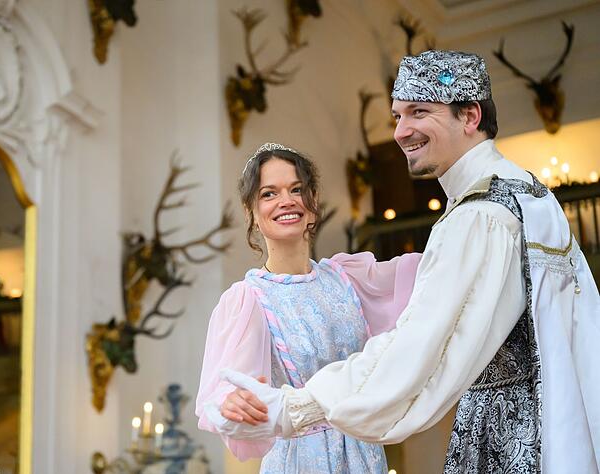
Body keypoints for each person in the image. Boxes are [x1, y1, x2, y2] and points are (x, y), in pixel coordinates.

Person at [205, 50, 600, 473]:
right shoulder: (528, 193)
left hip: (509, 434)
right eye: (397, 116)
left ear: (470, 116)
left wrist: (295, 407)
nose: (400, 131)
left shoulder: (478, 216)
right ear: (251, 212)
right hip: (550, 420)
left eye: (419, 112)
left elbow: (417, 345)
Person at [195, 142, 421, 473]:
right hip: (299, 459)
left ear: (312, 203)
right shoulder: (249, 299)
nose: (286, 200)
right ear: (251, 213)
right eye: (269, 194)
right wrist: (232, 402)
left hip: (364, 453)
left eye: (296, 189)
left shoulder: (348, 278)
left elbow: (428, 272)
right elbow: (225, 388)